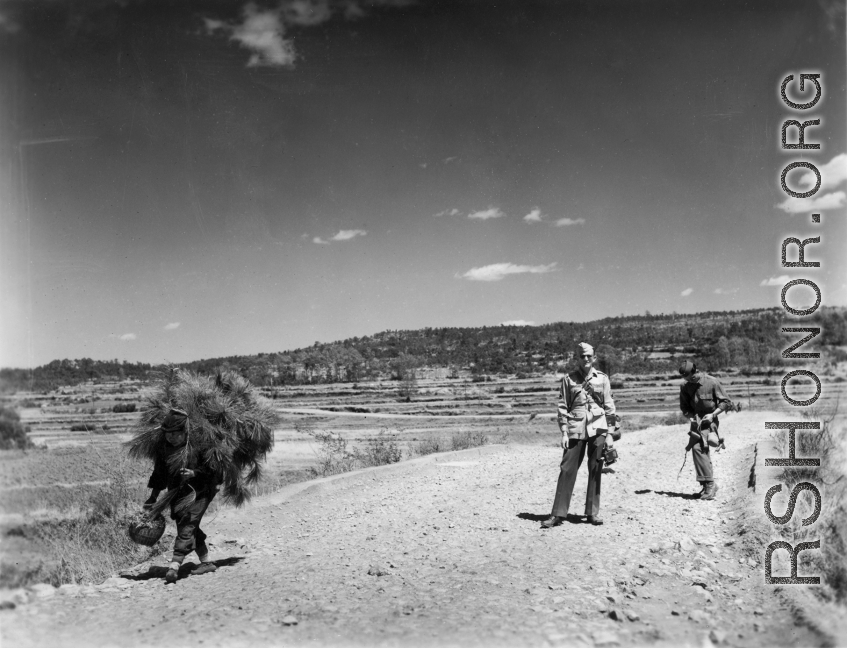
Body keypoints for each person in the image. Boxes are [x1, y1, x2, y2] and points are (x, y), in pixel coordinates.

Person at [542, 342, 617, 528]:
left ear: (594, 357)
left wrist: (610, 434)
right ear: (577, 358)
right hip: (576, 428)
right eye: (582, 356)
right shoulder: (569, 380)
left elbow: (609, 407)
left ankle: (592, 513)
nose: (586, 359)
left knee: (595, 468)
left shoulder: (602, 379)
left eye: (589, 356)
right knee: (567, 469)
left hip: (598, 428)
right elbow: (562, 407)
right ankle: (558, 514)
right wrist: (564, 432)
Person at [143, 408, 220, 583]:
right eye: (167, 434)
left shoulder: (199, 446)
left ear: (184, 431)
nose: (170, 437)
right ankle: (206, 563)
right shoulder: (164, 451)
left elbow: (213, 471)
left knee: (188, 525)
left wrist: (194, 473)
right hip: (177, 493)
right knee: (186, 525)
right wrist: (153, 497)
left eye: (175, 433)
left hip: (201, 492)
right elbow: (159, 475)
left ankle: (174, 565)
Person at [678, 360, 732, 500]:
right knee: (699, 450)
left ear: (695, 371)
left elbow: (726, 402)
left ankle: (709, 484)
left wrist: (713, 414)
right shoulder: (685, 386)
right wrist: (690, 417)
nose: (689, 380)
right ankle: (706, 485)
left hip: (710, 420)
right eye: (686, 378)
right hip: (696, 422)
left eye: (691, 377)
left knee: (699, 448)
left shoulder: (712, 382)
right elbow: (684, 407)